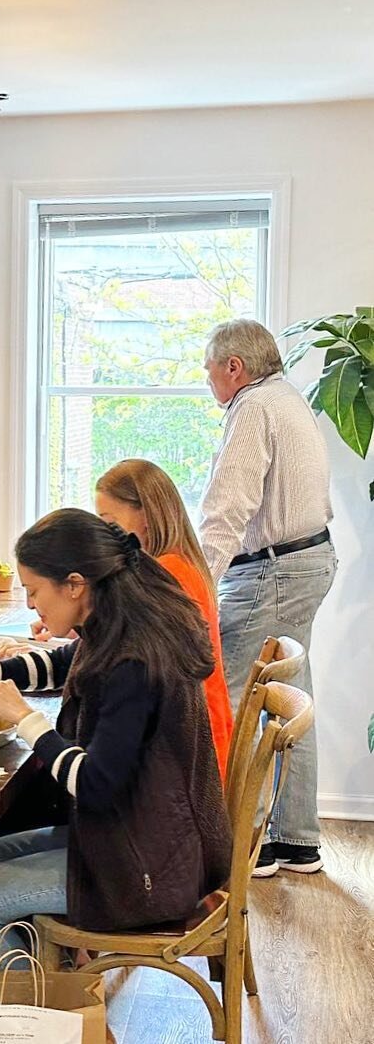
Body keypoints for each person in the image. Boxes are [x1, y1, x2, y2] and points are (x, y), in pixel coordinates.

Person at [0, 509, 230, 966]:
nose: (32, 604)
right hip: (148, 837)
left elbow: (95, 784)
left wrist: (26, 720)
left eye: (34, 591)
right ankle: (58, 979)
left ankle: (49, 1017)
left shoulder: (134, 662)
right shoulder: (122, 624)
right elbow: (65, 661)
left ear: (74, 584)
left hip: (149, 865)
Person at [200, 318, 336, 877]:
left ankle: (243, 845)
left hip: (272, 573)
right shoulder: (288, 399)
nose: (208, 381)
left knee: (232, 700)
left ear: (234, 367)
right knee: (289, 698)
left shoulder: (253, 406)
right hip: (309, 561)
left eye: (209, 369)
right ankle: (297, 841)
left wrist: (200, 583)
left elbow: (227, 506)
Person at [95, 458, 234, 778]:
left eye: (110, 523)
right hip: (203, 735)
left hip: (190, 756)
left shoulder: (167, 573)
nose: (106, 534)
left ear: (145, 515)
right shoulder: (179, 563)